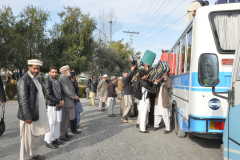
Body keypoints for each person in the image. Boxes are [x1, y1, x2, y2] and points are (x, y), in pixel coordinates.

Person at [17, 59, 50, 160]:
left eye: (38, 69)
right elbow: (22, 101)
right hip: (29, 116)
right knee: (26, 141)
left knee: (38, 135)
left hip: (38, 113)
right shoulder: (23, 80)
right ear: (29, 67)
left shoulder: (37, 79)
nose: (36, 70)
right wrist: (27, 116)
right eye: (34, 68)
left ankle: (34, 155)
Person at [44, 66, 65, 149]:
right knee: (51, 124)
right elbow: (48, 95)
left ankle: (54, 138)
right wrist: (58, 101)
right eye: (53, 72)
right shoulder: (47, 82)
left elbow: (62, 92)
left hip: (58, 106)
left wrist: (62, 100)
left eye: (56, 72)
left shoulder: (58, 82)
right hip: (51, 105)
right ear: (49, 73)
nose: (54, 74)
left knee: (57, 123)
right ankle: (48, 141)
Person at [59, 65, 80, 142]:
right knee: (64, 120)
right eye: (69, 70)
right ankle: (61, 135)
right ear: (65, 71)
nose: (70, 71)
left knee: (68, 119)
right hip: (67, 102)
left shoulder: (65, 78)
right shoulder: (62, 78)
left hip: (69, 102)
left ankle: (65, 133)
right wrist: (74, 97)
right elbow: (67, 90)